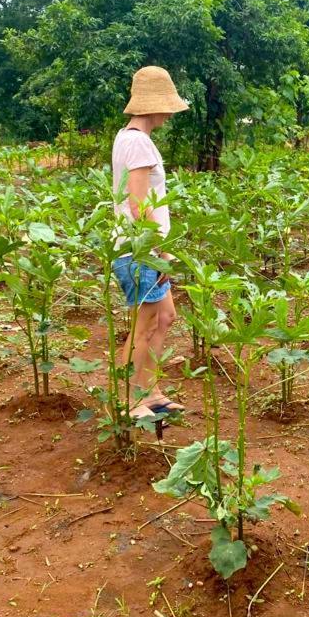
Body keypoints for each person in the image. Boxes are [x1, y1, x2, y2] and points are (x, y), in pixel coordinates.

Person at [111, 66, 188, 421]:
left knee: (166, 318)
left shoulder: (127, 137)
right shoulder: (138, 141)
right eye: (168, 106)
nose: (171, 113)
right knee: (143, 328)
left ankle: (151, 391)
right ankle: (128, 400)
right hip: (139, 251)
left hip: (145, 251)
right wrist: (161, 253)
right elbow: (138, 204)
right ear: (157, 105)